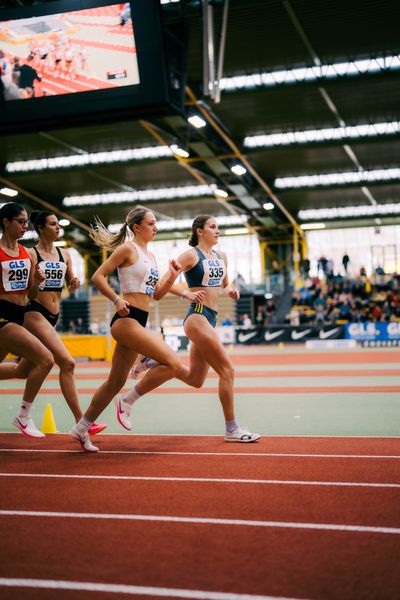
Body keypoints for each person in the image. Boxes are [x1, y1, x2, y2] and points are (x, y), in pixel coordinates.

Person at [69, 206, 205, 452]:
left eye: (155, 223)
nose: (156, 227)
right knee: (173, 363)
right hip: (125, 319)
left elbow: (157, 295)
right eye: (151, 223)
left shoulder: (150, 257)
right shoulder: (127, 249)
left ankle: (81, 428)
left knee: (115, 381)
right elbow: (98, 277)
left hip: (140, 319)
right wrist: (116, 299)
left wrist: (177, 282)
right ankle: (129, 397)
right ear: (137, 227)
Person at [115, 214, 260, 444]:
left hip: (211, 317)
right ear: (199, 231)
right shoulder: (191, 255)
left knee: (195, 379)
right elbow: (161, 283)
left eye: (218, 227)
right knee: (227, 371)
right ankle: (232, 428)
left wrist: (231, 290)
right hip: (197, 317)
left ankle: (146, 369)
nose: (217, 230)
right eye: (213, 227)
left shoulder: (222, 256)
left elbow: (225, 284)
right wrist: (184, 292)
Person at [21, 210, 106, 435]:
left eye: (58, 224)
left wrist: (74, 282)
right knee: (67, 363)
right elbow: (28, 294)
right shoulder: (31, 254)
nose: (58, 228)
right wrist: (36, 283)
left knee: (23, 369)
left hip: (53, 316)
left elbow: (70, 284)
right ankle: (82, 421)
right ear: (41, 228)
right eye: (53, 224)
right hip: (34, 313)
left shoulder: (65, 254)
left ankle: (80, 422)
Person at [0, 202, 54, 437]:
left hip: (19, 316)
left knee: (24, 370)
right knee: (46, 360)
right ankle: (23, 415)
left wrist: (36, 282)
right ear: (5, 222)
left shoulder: (25, 253)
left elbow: (30, 295)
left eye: (26, 222)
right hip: (2, 318)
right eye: (20, 222)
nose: (25, 226)